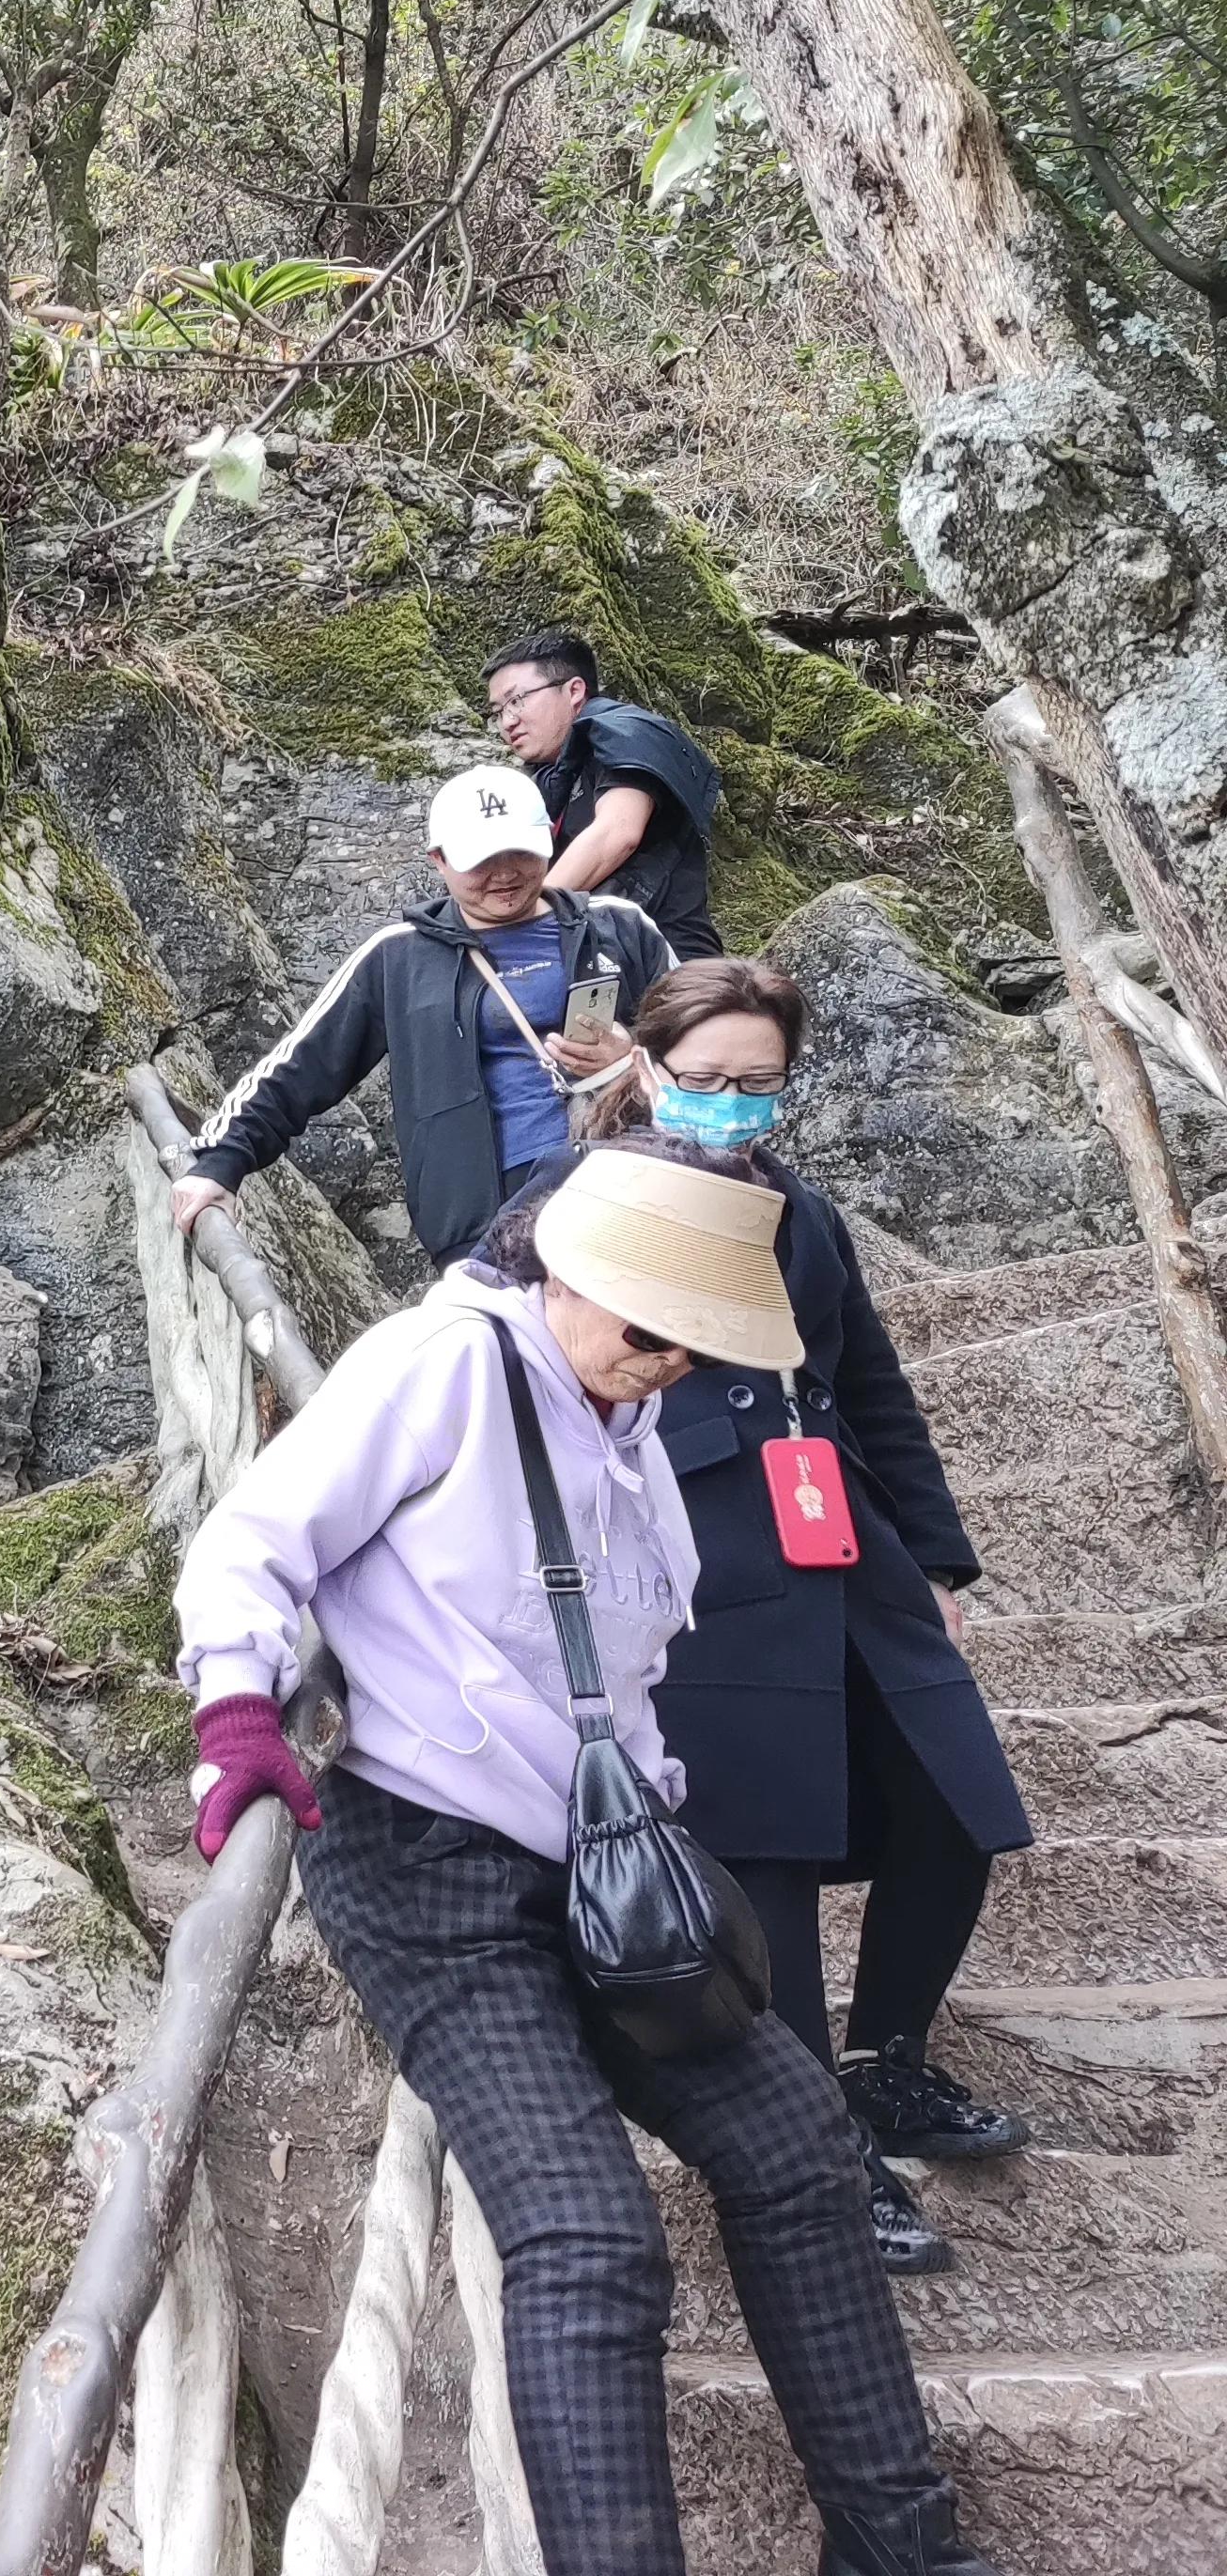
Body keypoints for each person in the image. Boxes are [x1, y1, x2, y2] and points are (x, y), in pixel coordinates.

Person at [175, 1141, 999, 2576]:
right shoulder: (440, 1365)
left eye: (695, 1343)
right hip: (429, 1865)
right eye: (645, 1327)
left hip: (606, 1867)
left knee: (803, 2152)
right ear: (567, 1269)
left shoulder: (623, 1423)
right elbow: (251, 1539)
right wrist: (240, 1712)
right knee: (585, 2231)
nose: (668, 1361)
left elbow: (627, 1663)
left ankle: (903, 2548)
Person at [580, 957, 1035, 2279]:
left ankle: (887, 2055)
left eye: (758, 1087)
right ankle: (815, 2142)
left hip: (845, 1540)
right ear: (651, 1065)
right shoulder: (587, 1205)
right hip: (700, 1556)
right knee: (765, 1854)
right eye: (709, 1081)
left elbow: (873, 1390)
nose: (732, 1107)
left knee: (953, 1803)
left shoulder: (805, 1211)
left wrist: (938, 1565)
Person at [171, 765, 675, 1267]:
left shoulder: (618, 926)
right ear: (438, 859)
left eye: (519, 851)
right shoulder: (398, 958)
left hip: (630, 1188)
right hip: (484, 1224)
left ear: (547, 837)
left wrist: (633, 1056)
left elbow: (711, 1041)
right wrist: (221, 1163)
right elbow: (300, 1067)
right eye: (481, 859)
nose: (504, 873)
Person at [485, 627, 727, 961]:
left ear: (574, 690)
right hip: (598, 956)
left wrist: (518, 929)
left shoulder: (626, 730)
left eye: (516, 700)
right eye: (497, 711)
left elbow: (617, 832)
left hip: (669, 960)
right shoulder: (552, 775)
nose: (507, 721)